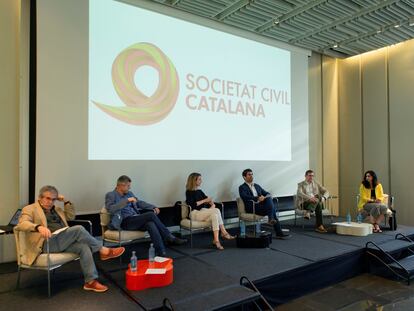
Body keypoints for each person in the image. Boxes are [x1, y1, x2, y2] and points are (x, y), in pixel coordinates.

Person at [17, 185, 125, 293]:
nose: (50, 202)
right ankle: (103, 250)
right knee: (78, 229)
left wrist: (66, 201)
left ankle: (90, 282)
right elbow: (22, 224)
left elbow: (71, 216)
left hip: (61, 240)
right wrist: (38, 227)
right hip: (46, 243)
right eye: (47, 198)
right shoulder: (30, 209)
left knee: (84, 247)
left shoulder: (57, 210)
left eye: (53, 199)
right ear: (40, 197)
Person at [105, 175, 187, 256]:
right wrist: (126, 201)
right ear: (121, 185)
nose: (129, 188)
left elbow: (139, 203)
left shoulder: (129, 193)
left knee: (150, 224)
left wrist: (153, 206)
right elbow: (111, 209)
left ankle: (161, 251)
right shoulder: (111, 195)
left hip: (135, 219)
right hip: (125, 221)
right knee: (151, 215)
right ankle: (169, 237)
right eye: (128, 186)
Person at [185, 173, 235, 250]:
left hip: (203, 212)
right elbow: (192, 205)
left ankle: (216, 240)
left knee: (214, 215)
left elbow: (210, 202)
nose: (201, 181)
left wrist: (212, 204)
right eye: (199, 179)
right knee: (217, 210)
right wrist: (205, 200)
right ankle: (224, 232)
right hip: (194, 213)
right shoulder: (188, 192)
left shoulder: (200, 191)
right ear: (194, 181)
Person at [239, 169, 290, 239]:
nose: (251, 176)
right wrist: (257, 198)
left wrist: (264, 197)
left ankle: (271, 220)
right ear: (244, 177)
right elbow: (244, 197)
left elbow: (267, 193)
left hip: (262, 206)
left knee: (269, 198)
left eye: (252, 174)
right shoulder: (242, 187)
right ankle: (277, 231)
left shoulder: (257, 186)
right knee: (272, 210)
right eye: (249, 174)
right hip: (252, 207)